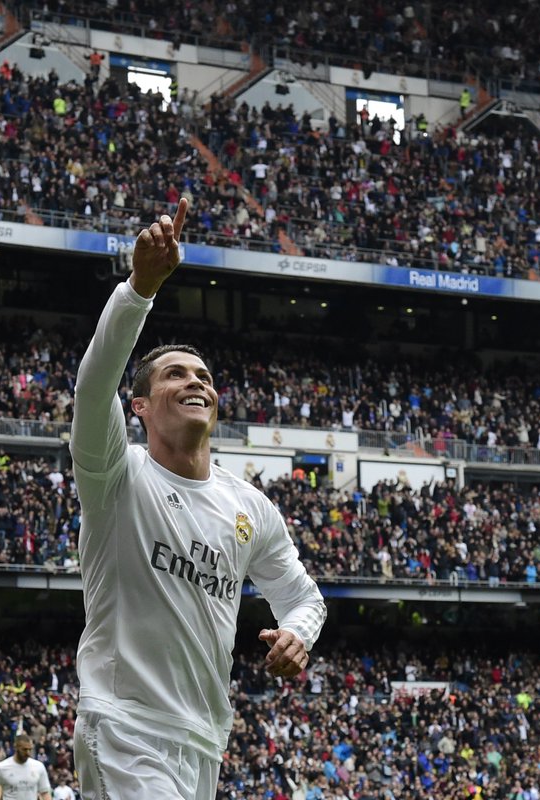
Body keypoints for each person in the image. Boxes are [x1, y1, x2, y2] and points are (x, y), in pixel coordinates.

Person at [70, 197, 327, 800]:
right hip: (125, 727)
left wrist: (298, 633)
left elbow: (303, 597)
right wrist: (140, 289)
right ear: (139, 406)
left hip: (204, 743)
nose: (196, 382)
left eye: (204, 377)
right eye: (176, 374)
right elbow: (94, 385)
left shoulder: (249, 508)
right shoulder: (116, 475)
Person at [0, 735, 52, 800]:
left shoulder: (39, 767)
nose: (28, 753)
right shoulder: (1, 767)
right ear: (15, 747)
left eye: (30, 749)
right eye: (24, 749)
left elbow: (45, 793)